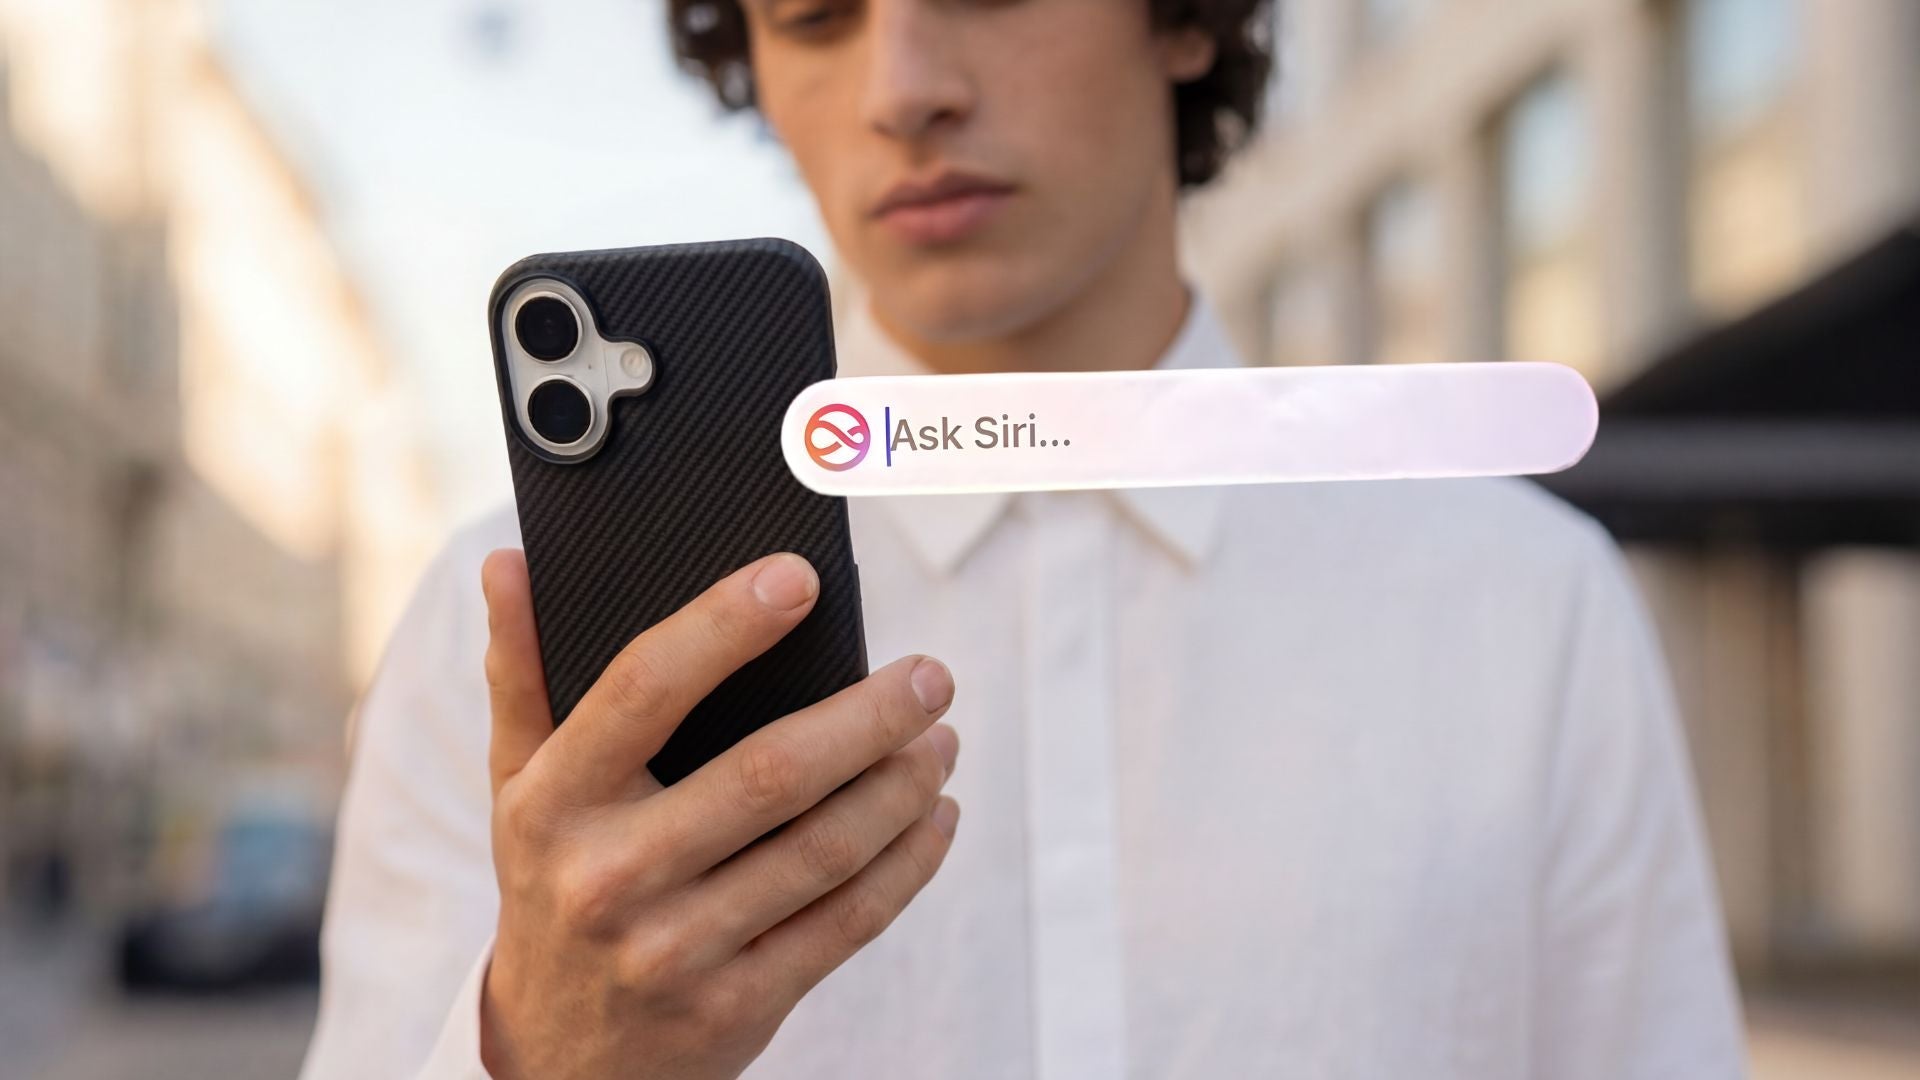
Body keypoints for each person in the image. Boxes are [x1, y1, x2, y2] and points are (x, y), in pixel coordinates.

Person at [301, 1, 1747, 1077]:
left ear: (1183, 22)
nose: (903, 88)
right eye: (814, 16)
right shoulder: (508, 634)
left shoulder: (1524, 600)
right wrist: (533, 1050)